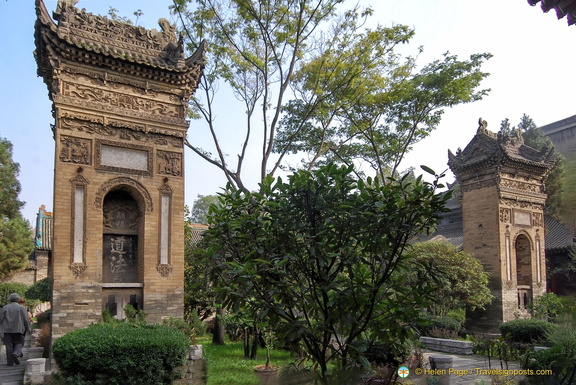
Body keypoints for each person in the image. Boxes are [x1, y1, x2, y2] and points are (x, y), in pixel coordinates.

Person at [0, 293, 31, 366]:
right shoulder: (21, 308)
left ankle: (10, 362)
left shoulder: (5, 308)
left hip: (7, 330)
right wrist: (28, 328)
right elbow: (26, 319)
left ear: (10, 299)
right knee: (19, 343)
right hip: (18, 329)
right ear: (18, 299)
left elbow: (0, 319)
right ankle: (16, 353)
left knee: (9, 346)